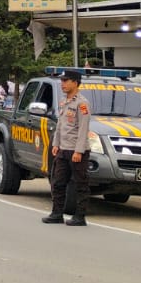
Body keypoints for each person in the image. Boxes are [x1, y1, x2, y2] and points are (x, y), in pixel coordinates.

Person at [43, 70, 92, 227]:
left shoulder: (82, 103)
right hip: (63, 149)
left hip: (76, 151)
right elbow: (60, 126)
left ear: (75, 82)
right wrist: (56, 144)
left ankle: (80, 216)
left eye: (66, 80)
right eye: (62, 81)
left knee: (80, 184)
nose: (62, 84)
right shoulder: (64, 102)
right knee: (58, 182)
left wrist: (78, 151)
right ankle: (57, 213)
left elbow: (84, 129)